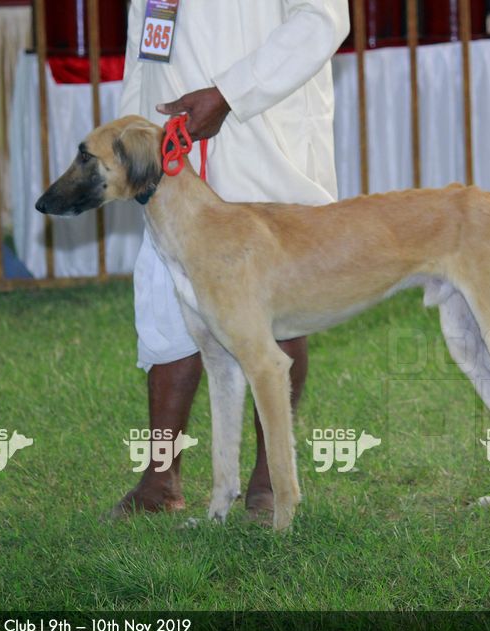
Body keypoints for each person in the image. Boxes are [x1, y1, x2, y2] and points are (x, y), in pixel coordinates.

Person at [111, 1, 350, 520]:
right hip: (168, 144)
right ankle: (160, 478)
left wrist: (228, 95)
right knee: (165, 303)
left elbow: (323, 20)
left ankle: (269, 478)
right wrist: (131, 136)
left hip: (261, 134)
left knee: (276, 309)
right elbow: (144, 43)